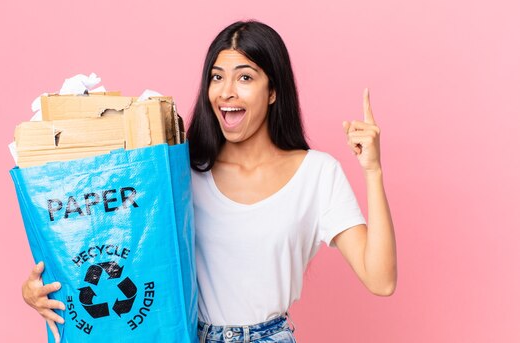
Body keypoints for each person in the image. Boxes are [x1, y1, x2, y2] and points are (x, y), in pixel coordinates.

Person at [22, 20, 396, 343]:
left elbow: (381, 280)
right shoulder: (180, 172)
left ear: (273, 92)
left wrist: (372, 171)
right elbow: (117, 246)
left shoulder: (317, 174)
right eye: (217, 77)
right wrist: (45, 288)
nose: (226, 91)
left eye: (245, 77)